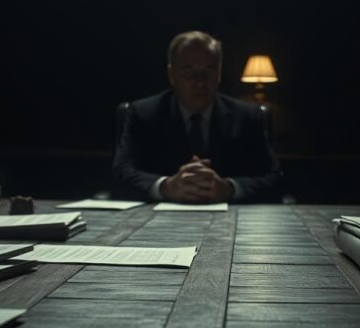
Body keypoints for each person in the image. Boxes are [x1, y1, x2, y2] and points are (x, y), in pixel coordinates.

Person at [112, 31, 284, 203]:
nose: (200, 82)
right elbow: (120, 174)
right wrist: (166, 187)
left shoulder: (248, 117)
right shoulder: (143, 114)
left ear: (219, 73)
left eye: (209, 71)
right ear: (171, 75)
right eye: (189, 72)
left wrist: (229, 188)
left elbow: (275, 179)